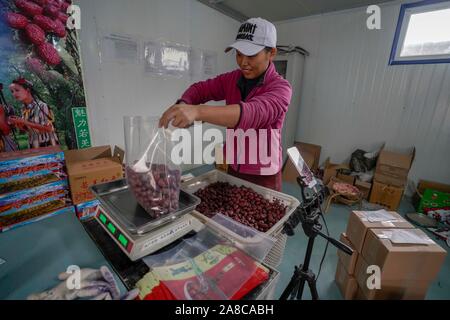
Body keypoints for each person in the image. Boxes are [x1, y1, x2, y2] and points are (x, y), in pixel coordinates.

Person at [159, 18, 292, 191]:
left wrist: (198, 111)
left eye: (251, 55)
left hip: (264, 175)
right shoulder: (232, 79)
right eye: (238, 54)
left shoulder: (281, 88)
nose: (243, 62)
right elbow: (201, 89)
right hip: (234, 167)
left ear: (271, 53)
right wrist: (184, 104)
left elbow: (252, 113)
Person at [9, 77, 59, 149]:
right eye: (12, 91)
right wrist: (18, 124)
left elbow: (49, 129)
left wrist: (24, 121)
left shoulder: (42, 106)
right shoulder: (23, 108)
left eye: (17, 90)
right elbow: (29, 129)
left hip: (48, 144)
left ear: (28, 90)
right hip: (33, 144)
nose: (14, 94)